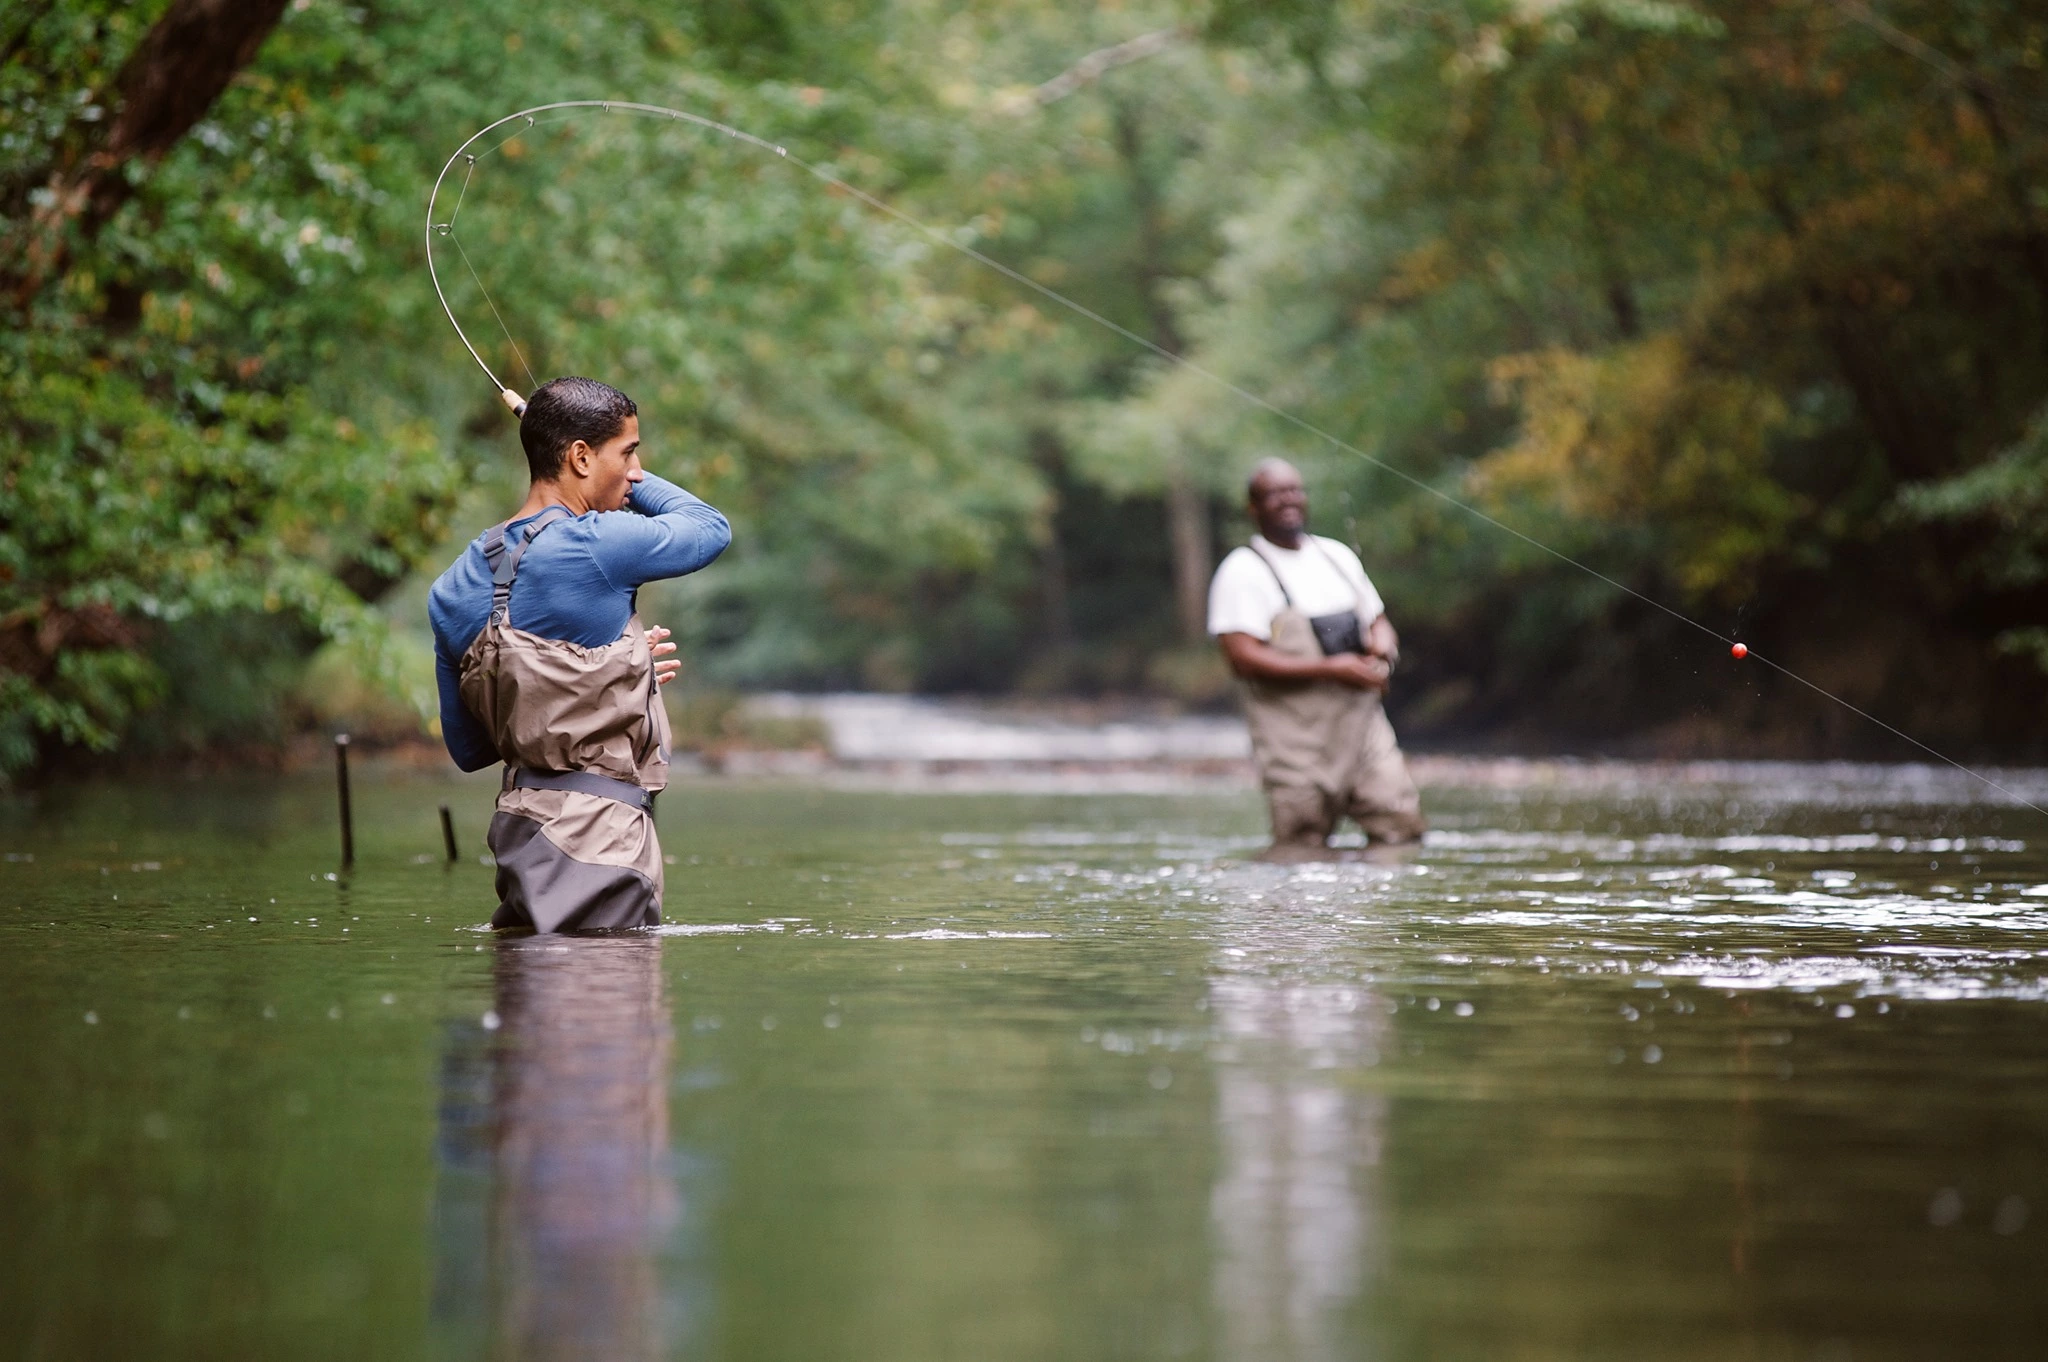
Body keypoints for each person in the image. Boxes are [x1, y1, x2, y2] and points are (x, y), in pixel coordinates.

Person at [429, 376, 730, 930]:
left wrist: (608, 682)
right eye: (629, 453)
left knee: (536, 984)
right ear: (581, 457)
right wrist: (633, 484)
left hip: (520, 839)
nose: (635, 471)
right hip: (601, 844)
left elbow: (471, 749)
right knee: (604, 984)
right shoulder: (599, 542)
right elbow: (709, 529)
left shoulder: (450, 588)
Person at [1207, 458, 1425, 861]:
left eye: (1294, 490)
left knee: (1401, 828)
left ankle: (1368, 899)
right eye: (1274, 494)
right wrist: (1331, 669)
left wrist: (1381, 650)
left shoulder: (1336, 556)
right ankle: (1310, 905)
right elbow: (1242, 658)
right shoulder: (1242, 571)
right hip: (1295, 743)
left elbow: (1378, 621)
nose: (1288, 500)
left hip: (1364, 731)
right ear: (1253, 508)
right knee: (1300, 848)